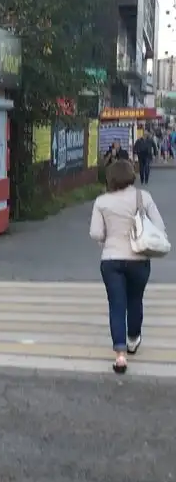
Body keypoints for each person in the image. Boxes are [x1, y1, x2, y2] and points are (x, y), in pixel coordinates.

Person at [89, 159, 166, 374]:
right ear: (131, 175)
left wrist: (108, 237)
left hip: (111, 259)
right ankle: (133, 339)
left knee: (116, 304)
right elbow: (159, 226)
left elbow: (96, 233)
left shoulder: (102, 201)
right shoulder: (143, 197)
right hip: (139, 259)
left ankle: (120, 355)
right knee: (135, 300)